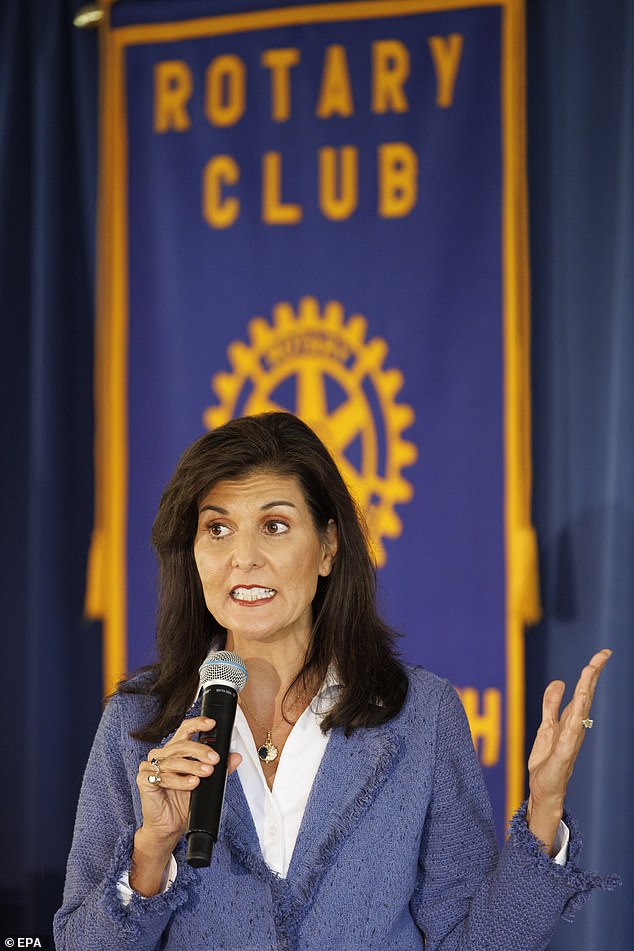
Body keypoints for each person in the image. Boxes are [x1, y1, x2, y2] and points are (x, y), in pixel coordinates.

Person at [54, 411, 617, 950]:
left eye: (274, 526)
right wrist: (151, 856)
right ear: (194, 553)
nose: (243, 558)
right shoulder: (138, 723)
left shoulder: (420, 715)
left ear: (327, 547)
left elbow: (472, 942)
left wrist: (543, 810)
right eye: (218, 528)